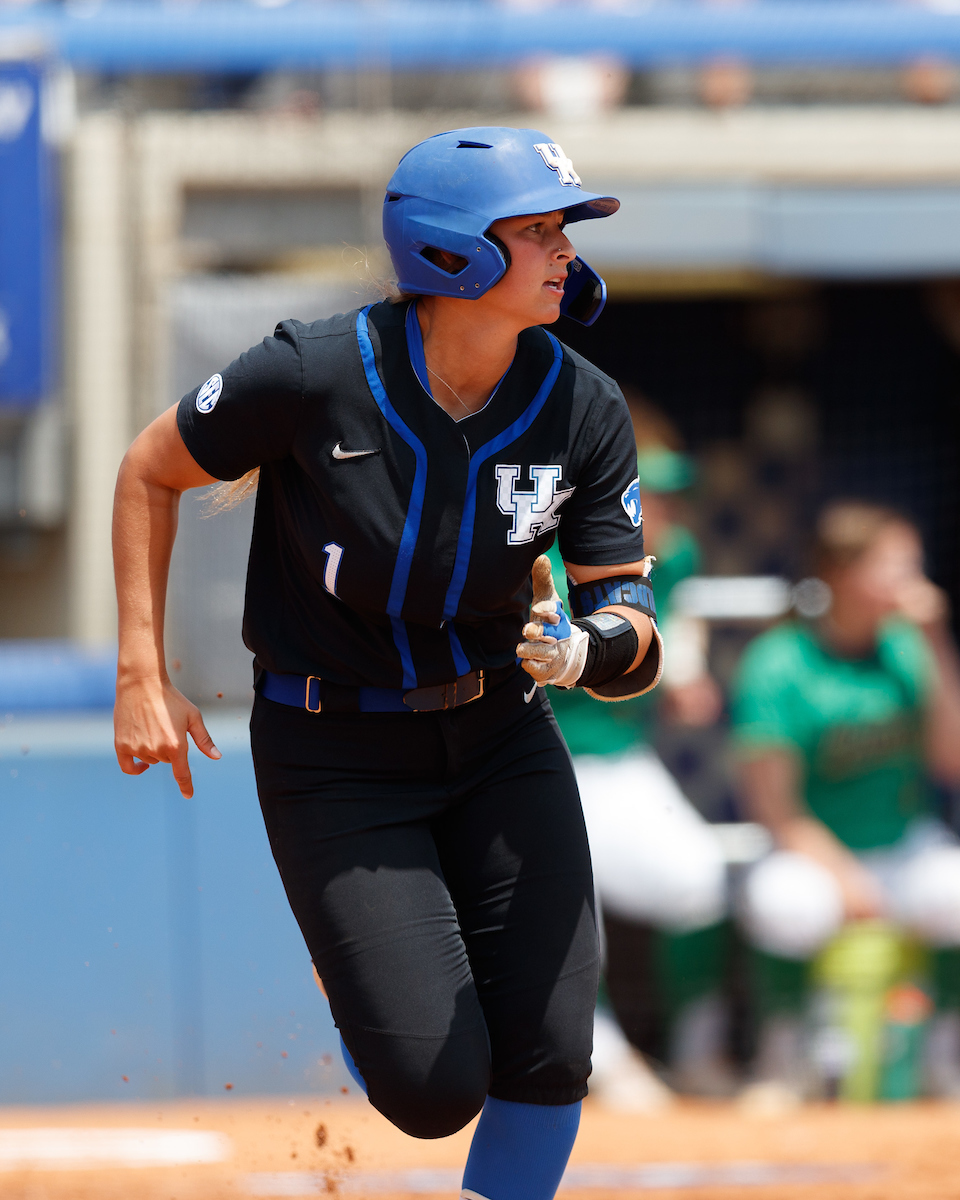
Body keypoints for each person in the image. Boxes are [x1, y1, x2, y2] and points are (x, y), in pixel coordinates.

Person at [111, 127, 662, 1200]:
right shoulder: (314, 371)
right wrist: (143, 667)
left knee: (551, 1051)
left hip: (501, 733)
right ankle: (353, 968)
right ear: (452, 253)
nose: (564, 251)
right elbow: (148, 469)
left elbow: (631, 622)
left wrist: (588, 648)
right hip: (335, 749)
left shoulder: (584, 405)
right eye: (537, 230)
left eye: (563, 231)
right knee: (433, 1089)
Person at [732, 500, 960, 1098]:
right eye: (894, 564)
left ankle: (945, 1053)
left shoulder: (910, 650)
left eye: (914, 565)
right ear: (838, 572)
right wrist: (847, 877)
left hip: (902, 844)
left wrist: (936, 644)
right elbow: (774, 808)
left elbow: (951, 763)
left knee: (953, 890)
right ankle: (782, 1056)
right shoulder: (779, 660)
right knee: (784, 903)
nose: (912, 581)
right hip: (817, 851)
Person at [545, 410, 732, 1104]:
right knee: (568, 901)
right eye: (655, 495)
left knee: (702, 879)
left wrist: (686, 668)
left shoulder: (676, 554)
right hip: (543, 757)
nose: (671, 509)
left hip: (623, 760)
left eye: (676, 494)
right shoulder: (552, 563)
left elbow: (680, 627)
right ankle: (602, 1055)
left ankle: (699, 1050)